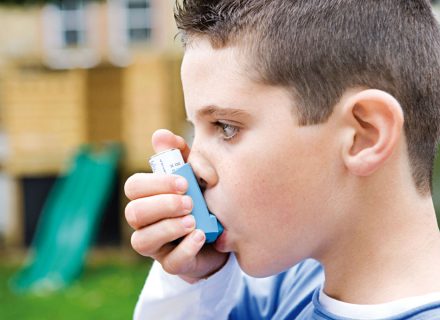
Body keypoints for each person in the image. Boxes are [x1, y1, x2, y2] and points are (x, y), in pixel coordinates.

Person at [124, 0, 440, 319]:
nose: (194, 169)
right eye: (196, 130)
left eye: (226, 127)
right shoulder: (286, 284)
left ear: (365, 135)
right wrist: (196, 281)